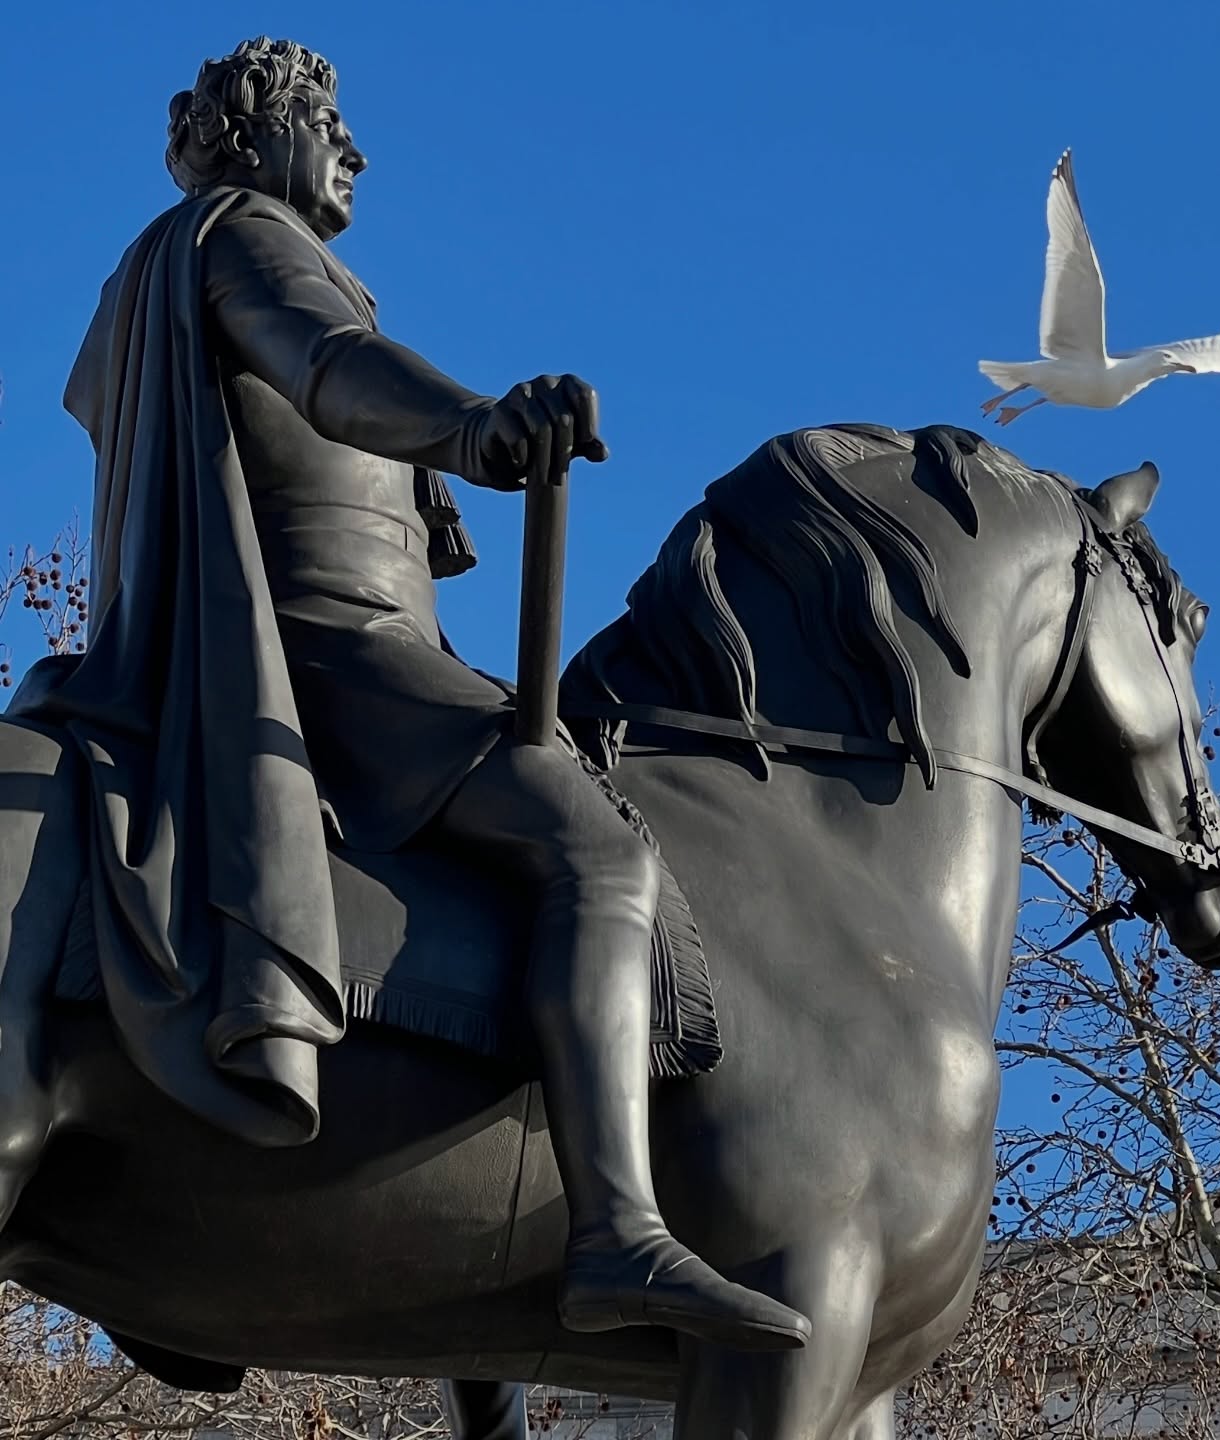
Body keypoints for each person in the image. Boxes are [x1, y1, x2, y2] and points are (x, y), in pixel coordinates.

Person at [11, 36, 807, 1352]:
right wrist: (476, 426)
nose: (354, 149)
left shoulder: (187, 267)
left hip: (344, 654)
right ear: (251, 135)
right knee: (599, 854)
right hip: (333, 657)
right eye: (325, 120)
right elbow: (329, 366)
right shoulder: (243, 235)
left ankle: (480, 1368)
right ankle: (617, 1230)